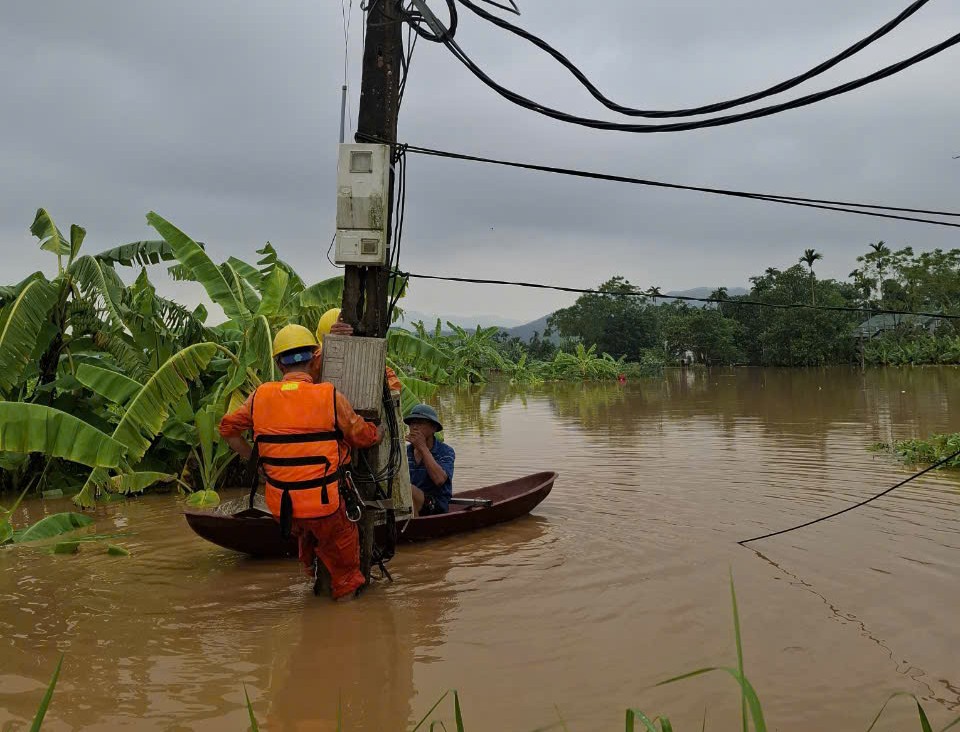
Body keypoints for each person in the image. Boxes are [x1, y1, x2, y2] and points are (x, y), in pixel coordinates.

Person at [219, 324, 384, 602]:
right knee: (347, 573)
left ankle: (311, 567)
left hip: (283, 508)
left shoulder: (260, 396)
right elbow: (360, 435)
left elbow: (228, 430)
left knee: (308, 531)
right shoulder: (329, 395)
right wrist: (377, 434)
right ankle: (347, 626)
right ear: (316, 358)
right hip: (325, 507)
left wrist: (256, 462)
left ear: (278, 363)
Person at [404, 404, 455, 516]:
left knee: (409, 490)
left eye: (420, 423)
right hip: (410, 502)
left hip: (435, 504)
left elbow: (439, 480)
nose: (415, 427)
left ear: (433, 428)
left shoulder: (445, 451)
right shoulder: (404, 453)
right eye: (412, 423)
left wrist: (422, 448)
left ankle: (414, 530)